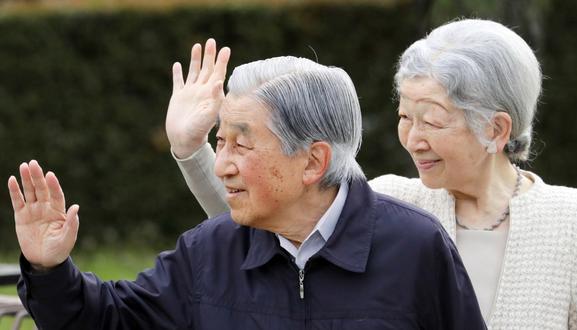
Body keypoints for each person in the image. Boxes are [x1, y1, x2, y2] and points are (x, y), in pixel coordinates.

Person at [8, 39, 486, 329]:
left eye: (242, 144)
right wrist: (49, 270)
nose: (221, 165)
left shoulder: (416, 248)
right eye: (221, 141)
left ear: (313, 161)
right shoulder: (210, 251)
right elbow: (109, 322)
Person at [170, 20, 577, 329]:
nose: (413, 139)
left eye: (432, 122)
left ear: (496, 129)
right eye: (405, 117)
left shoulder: (570, 222)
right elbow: (270, 211)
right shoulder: (392, 204)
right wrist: (191, 152)